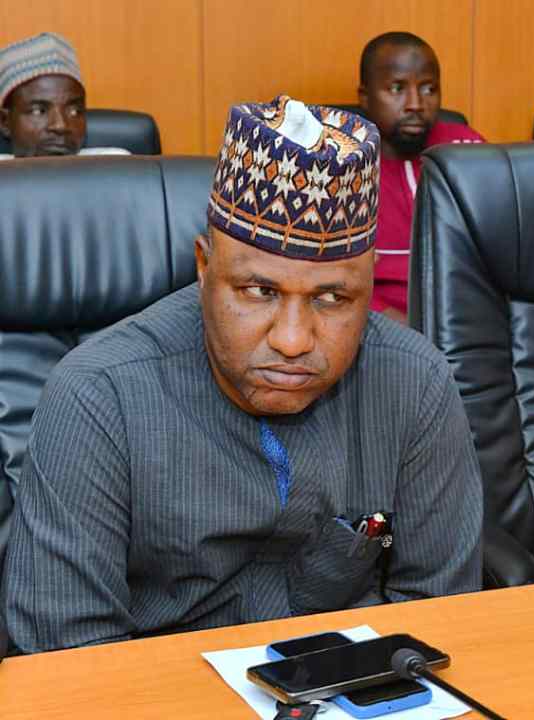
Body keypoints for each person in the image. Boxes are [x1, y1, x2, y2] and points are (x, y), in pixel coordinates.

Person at [1, 96, 483, 653]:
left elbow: (439, 616)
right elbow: (68, 658)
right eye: (259, 291)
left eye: (332, 298)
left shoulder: (415, 384)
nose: (293, 340)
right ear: (204, 268)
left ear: (370, 284)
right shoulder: (98, 397)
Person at [358, 32, 484, 324]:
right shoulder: (342, 167)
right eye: (397, 88)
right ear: (365, 97)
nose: (415, 103)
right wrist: (403, 332)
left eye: (428, 88)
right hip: (376, 327)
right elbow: (331, 279)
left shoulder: (467, 150)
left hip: (466, 319)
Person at [0, 32, 128, 159]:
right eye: (38, 111)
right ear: (4, 122)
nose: (60, 125)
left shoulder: (116, 165)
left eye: (74, 111)